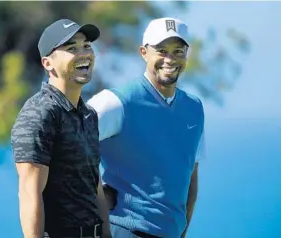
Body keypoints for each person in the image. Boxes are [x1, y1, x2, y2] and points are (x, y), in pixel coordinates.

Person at [87, 17, 206, 238]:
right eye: (161, 50)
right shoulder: (116, 102)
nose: (170, 59)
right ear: (144, 52)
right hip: (125, 230)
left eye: (178, 51)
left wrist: (182, 232)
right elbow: (69, 144)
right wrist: (97, 200)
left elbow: (190, 175)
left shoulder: (194, 108)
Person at [11, 19, 111, 238]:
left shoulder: (89, 115)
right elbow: (29, 193)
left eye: (86, 46)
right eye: (72, 48)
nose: (84, 53)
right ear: (48, 63)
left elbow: (95, 186)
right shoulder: (39, 113)